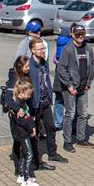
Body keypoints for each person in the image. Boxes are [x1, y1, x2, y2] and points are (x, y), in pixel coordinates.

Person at [56, 24, 94, 152]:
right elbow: (61, 68)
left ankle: (81, 138)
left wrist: (89, 82)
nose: (80, 36)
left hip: (84, 88)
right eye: (77, 34)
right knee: (70, 114)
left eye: (82, 34)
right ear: (72, 34)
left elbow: (93, 64)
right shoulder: (68, 49)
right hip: (70, 89)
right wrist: (69, 85)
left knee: (83, 114)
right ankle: (67, 141)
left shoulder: (88, 47)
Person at [28, 35, 66, 167]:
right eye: (39, 49)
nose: (43, 51)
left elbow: (46, 81)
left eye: (43, 48)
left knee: (51, 127)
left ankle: (52, 153)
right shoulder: (29, 65)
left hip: (45, 101)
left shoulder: (43, 62)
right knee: (35, 132)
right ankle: (35, 159)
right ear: (33, 50)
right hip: (35, 103)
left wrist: (49, 95)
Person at [8, 80, 38, 186]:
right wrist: (31, 128)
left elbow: (28, 117)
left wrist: (32, 124)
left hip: (23, 131)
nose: (29, 96)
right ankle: (26, 179)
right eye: (28, 94)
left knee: (24, 153)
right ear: (21, 92)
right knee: (29, 154)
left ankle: (21, 175)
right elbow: (22, 121)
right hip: (22, 133)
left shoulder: (21, 102)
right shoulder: (18, 105)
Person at [52, 27, 72, 130]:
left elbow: (54, 59)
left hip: (58, 75)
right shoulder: (70, 42)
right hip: (68, 75)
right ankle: (69, 123)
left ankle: (57, 122)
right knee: (69, 101)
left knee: (58, 100)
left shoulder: (59, 42)